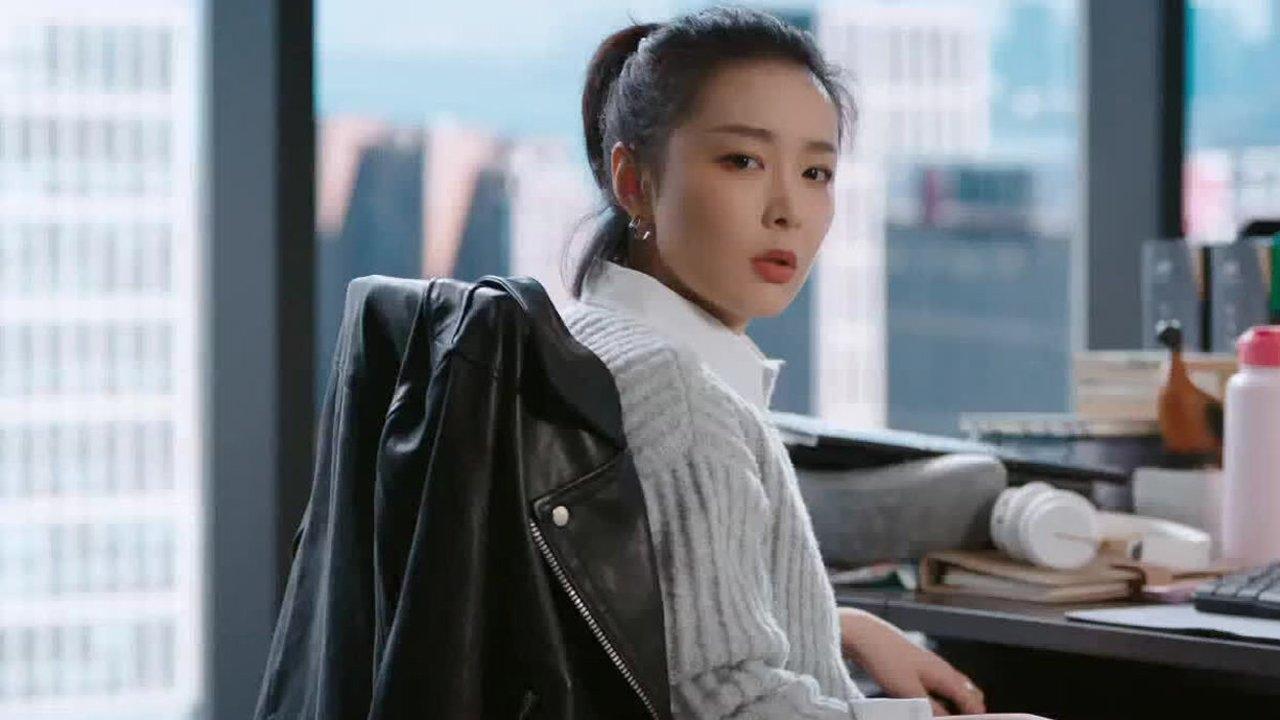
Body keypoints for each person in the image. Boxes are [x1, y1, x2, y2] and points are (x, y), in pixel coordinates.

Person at [560, 7, 1044, 720]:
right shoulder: (680, 398)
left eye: (816, 171)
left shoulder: (585, 339)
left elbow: (632, 622)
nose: (788, 210)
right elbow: (730, 710)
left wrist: (833, 625)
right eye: (743, 161)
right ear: (634, 182)